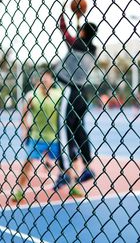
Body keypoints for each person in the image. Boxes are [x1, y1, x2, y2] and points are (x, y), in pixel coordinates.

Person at [12, 71, 83, 202]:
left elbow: (69, 109)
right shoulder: (32, 96)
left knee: (65, 164)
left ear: (51, 81)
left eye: (47, 79)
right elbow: (23, 114)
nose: (45, 81)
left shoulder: (58, 95)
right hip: (36, 137)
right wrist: (24, 128)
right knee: (27, 164)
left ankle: (73, 186)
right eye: (43, 79)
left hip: (55, 138)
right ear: (39, 82)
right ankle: (19, 191)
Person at [53, 2, 98, 190]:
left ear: (83, 34)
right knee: (79, 130)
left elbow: (65, 33)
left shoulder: (77, 43)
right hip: (83, 93)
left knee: (62, 127)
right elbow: (80, 36)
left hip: (70, 90)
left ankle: (64, 171)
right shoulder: (92, 48)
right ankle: (87, 165)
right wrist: (79, 20)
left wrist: (63, 14)